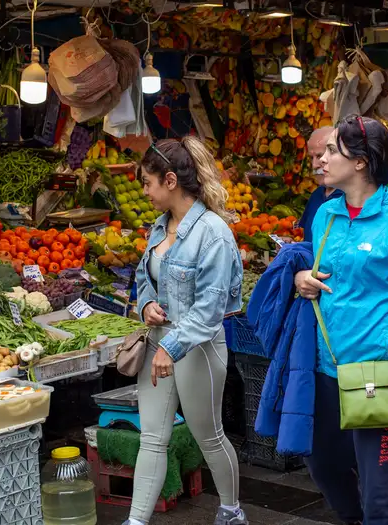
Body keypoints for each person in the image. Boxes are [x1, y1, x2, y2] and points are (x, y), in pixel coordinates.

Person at [293, 115, 388, 525]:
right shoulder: (326, 214)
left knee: (380, 489)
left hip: (378, 372)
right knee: (321, 465)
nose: (320, 159)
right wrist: (302, 278)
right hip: (327, 367)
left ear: (360, 161)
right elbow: (317, 270)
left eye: (330, 152)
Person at [129, 136, 245, 525]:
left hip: (199, 348)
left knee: (209, 436)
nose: (144, 192)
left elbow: (210, 308)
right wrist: (146, 304)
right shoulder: (158, 228)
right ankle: (136, 521)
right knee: (152, 437)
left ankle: (230, 511)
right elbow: (145, 279)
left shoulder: (213, 232)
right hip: (159, 342)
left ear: (171, 181)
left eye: (148, 183)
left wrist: (172, 348)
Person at [299, 126, 342, 243]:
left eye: (319, 156)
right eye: (311, 158)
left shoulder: (351, 198)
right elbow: (309, 242)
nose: (314, 165)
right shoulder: (316, 195)